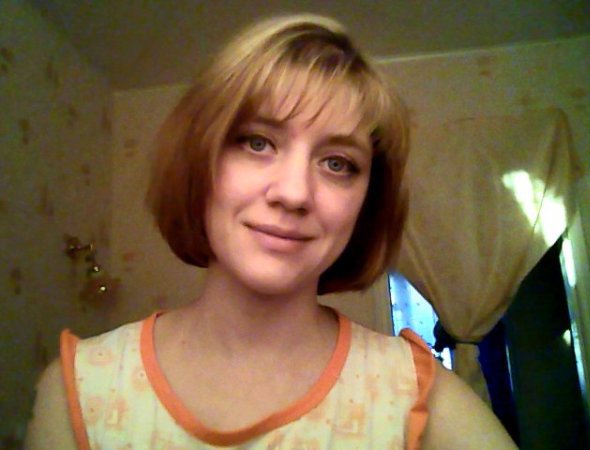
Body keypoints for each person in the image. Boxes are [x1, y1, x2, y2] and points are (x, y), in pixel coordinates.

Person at [25, 14, 516, 449]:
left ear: (367, 203)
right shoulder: (79, 389)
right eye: (257, 142)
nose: (294, 193)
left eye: (338, 163)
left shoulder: (423, 400)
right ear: (200, 162)